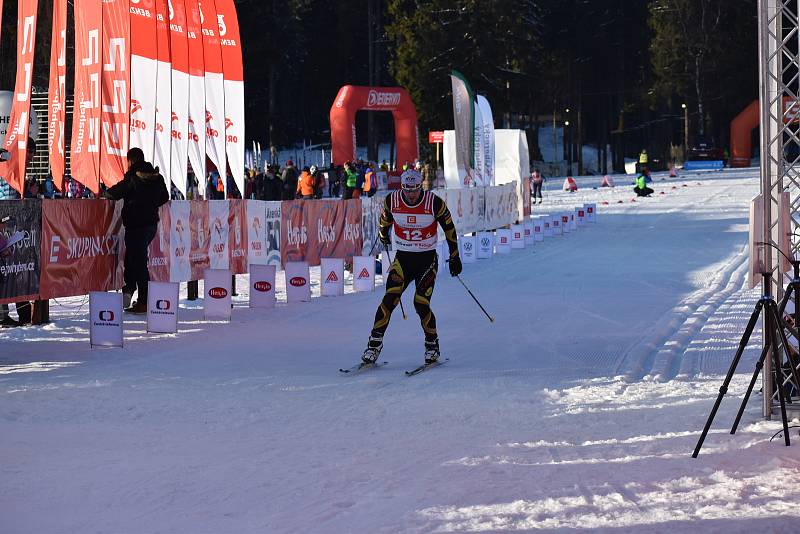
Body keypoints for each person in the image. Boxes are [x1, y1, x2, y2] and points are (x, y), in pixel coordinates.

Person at [361, 169, 462, 366]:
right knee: (389, 298)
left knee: (420, 303)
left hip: (426, 260)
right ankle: (373, 346)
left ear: (420, 187)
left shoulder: (434, 202)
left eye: (414, 190)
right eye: (407, 190)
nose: (411, 194)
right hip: (403, 259)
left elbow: (449, 228)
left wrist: (454, 255)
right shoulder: (392, 200)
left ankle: (432, 346)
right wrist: (383, 233)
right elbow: (385, 218)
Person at [102, 147, 170, 313]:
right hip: (150, 226)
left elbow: (114, 193)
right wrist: (151, 205)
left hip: (135, 226)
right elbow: (165, 197)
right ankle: (129, 289)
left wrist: (103, 192)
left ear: (130, 161)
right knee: (133, 257)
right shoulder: (157, 177)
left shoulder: (133, 177)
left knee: (138, 263)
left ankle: (144, 301)